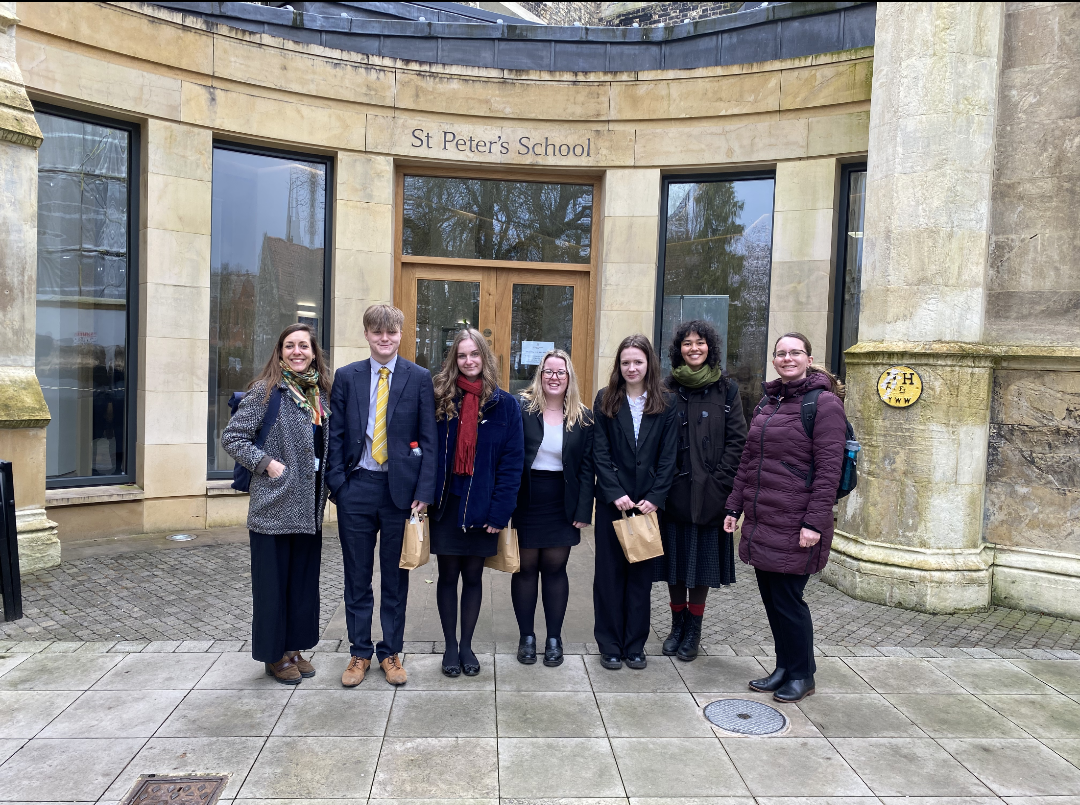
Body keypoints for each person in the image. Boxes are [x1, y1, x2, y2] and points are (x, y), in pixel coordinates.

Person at [724, 332, 846, 703]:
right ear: (774, 359)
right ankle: (783, 668)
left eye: (795, 352)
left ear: (809, 358)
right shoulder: (768, 402)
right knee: (772, 601)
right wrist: (734, 507)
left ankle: (802, 675)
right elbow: (749, 460)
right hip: (763, 520)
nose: (787, 358)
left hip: (797, 522)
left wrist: (814, 522)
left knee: (790, 602)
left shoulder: (824, 404)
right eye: (781, 353)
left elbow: (829, 470)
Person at [326, 304, 437, 688]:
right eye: (377, 332)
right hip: (356, 488)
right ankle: (359, 652)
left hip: (400, 495)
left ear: (401, 335)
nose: (384, 338)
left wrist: (424, 491)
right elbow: (335, 435)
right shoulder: (347, 376)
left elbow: (429, 440)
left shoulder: (419, 378)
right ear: (367, 335)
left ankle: (390, 651)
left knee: (395, 578)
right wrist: (339, 485)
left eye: (391, 332)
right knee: (357, 576)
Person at [222, 323, 331, 685]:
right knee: (272, 588)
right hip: (273, 506)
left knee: (301, 585)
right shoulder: (266, 391)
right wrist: (267, 464)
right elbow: (233, 437)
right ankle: (274, 656)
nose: (297, 351)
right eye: (290, 346)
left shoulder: (321, 395)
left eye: (304, 346)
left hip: (309, 508)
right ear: (280, 352)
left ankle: (293, 648)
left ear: (313, 353)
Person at [430, 328, 524, 678]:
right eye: (462, 355)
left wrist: (500, 512)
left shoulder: (505, 405)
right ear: (454, 360)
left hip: (483, 507)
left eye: (474, 354)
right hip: (446, 505)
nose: (469, 361)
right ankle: (449, 646)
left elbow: (512, 464)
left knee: (472, 576)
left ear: (485, 357)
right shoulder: (440, 399)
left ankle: (466, 645)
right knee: (447, 575)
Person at [656, 320, 747, 662]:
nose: (694, 348)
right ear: (678, 350)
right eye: (687, 343)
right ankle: (676, 625)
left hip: (711, 492)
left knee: (701, 566)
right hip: (673, 492)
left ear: (710, 347)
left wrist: (720, 482)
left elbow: (738, 441)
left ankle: (693, 630)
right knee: (675, 564)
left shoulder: (727, 389)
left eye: (700, 342)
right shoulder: (666, 388)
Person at [592, 334, 677, 670]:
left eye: (637, 362)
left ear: (649, 364)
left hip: (647, 506)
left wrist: (655, 497)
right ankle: (610, 644)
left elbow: (669, 456)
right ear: (619, 365)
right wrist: (615, 492)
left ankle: (635, 645)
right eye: (625, 362)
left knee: (640, 578)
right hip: (613, 503)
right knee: (609, 576)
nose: (631, 368)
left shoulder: (666, 402)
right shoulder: (605, 399)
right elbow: (599, 451)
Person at [512, 349, 594, 667]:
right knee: (525, 569)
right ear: (540, 375)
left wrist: (583, 511)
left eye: (561, 372)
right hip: (527, 497)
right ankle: (527, 637)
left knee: (555, 569)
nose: (554, 377)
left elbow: (587, 468)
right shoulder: (522, 408)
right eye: (548, 371)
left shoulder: (583, 417)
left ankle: (554, 639)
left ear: (569, 377)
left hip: (563, 500)